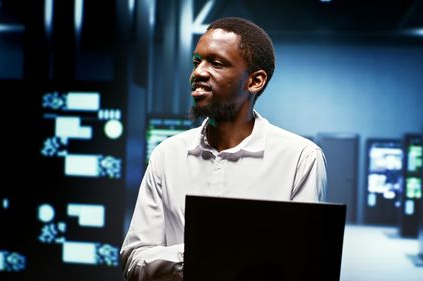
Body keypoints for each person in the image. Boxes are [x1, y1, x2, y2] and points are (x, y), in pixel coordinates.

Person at [120, 17, 327, 281]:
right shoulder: (167, 154)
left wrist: (207, 257)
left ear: (255, 81)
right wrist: (206, 254)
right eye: (197, 62)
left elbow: (304, 266)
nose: (198, 72)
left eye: (216, 63)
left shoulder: (301, 158)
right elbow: (134, 259)